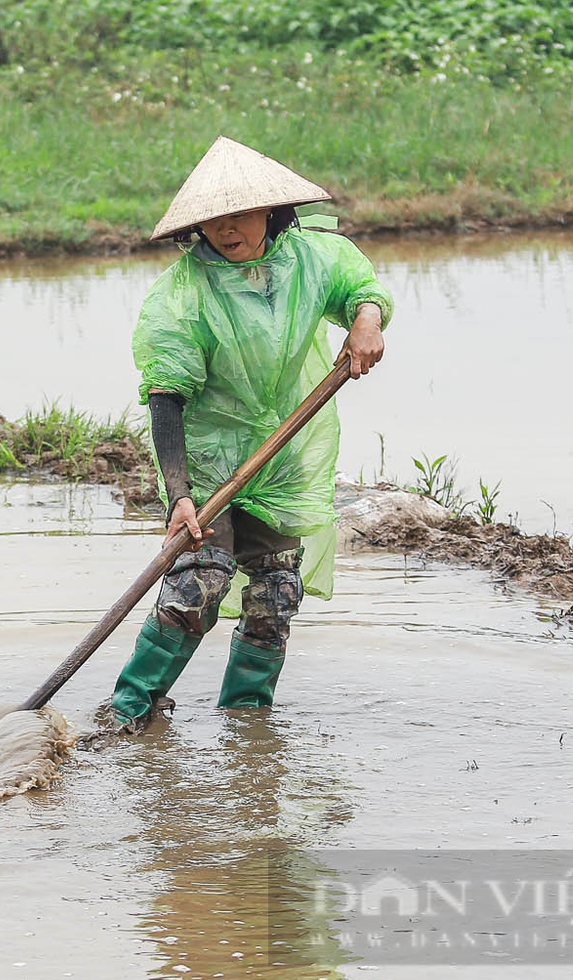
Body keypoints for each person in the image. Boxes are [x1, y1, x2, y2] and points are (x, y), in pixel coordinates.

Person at [103, 136, 393, 732]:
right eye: (212, 220)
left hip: (284, 455)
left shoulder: (313, 258)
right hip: (208, 458)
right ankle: (129, 711)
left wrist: (367, 322)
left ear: (271, 211)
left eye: (238, 214)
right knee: (198, 586)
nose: (226, 229)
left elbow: (360, 289)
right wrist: (179, 493)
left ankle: (248, 724)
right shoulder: (181, 296)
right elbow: (166, 398)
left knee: (276, 596)